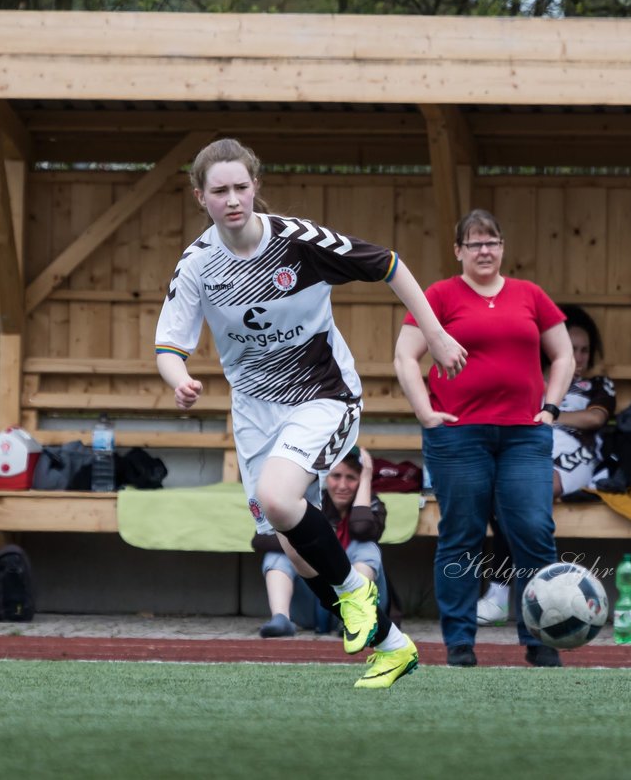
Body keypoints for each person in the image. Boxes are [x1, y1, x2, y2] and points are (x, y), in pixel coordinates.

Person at [155, 137, 467, 689]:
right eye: (220, 191)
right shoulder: (198, 265)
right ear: (199, 196)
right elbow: (169, 346)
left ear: (256, 188)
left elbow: (391, 264)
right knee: (297, 553)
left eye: (242, 188)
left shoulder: (297, 243)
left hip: (323, 395)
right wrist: (180, 380)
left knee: (280, 499)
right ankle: (393, 646)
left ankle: (356, 594)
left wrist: (436, 335)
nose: (233, 200)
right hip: (253, 410)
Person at [394, 208, 574, 668]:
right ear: (458, 251)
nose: (485, 250)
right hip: (458, 436)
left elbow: (565, 355)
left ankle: (541, 638)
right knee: (462, 536)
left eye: (492, 241)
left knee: (533, 532)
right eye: (474, 243)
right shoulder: (438, 295)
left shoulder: (529, 295)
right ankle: (459, 642)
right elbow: (405, 357)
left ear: (502, 247)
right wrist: (426, 412)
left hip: (524, 435)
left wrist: (550, 408)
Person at [475, 304, 617, 626]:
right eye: (572, 348)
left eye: (584, 350)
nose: (578, 357)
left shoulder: (598, 385)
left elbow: (595, 418)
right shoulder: (532, 381)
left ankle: (504, 594)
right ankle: (517, 593)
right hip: (531, 447)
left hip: (576, 452)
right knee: (502, 492)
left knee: (527, 493)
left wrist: (547, 416)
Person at [252, 446, 390, 638]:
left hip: (359, 603)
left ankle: (358, 617)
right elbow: (260, 539)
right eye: (336, 476)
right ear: (325, 478)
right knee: (279, 553)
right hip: (311, 603)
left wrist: (367, 476)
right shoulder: (311, 502)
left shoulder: (370, 503)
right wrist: (311, 543)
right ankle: (281, 618)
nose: (342, 485)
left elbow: (362, 529)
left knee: (367, 547)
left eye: (351, 478)